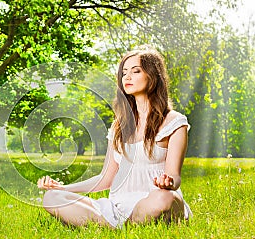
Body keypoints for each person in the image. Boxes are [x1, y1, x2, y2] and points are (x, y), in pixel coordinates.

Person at [37, 45, 192, 228]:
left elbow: (175, 175)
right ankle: (119, 224)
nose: (127, 77)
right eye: (124, 72)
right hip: (117, 207)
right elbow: (106, 178)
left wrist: (169, 182)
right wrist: (62, 188)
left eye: (136, 71)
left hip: (155, 200)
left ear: (153, 76)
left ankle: (113, 226)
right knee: (53, 198)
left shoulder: (174, 122)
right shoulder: (120, 124)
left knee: (164, 198)